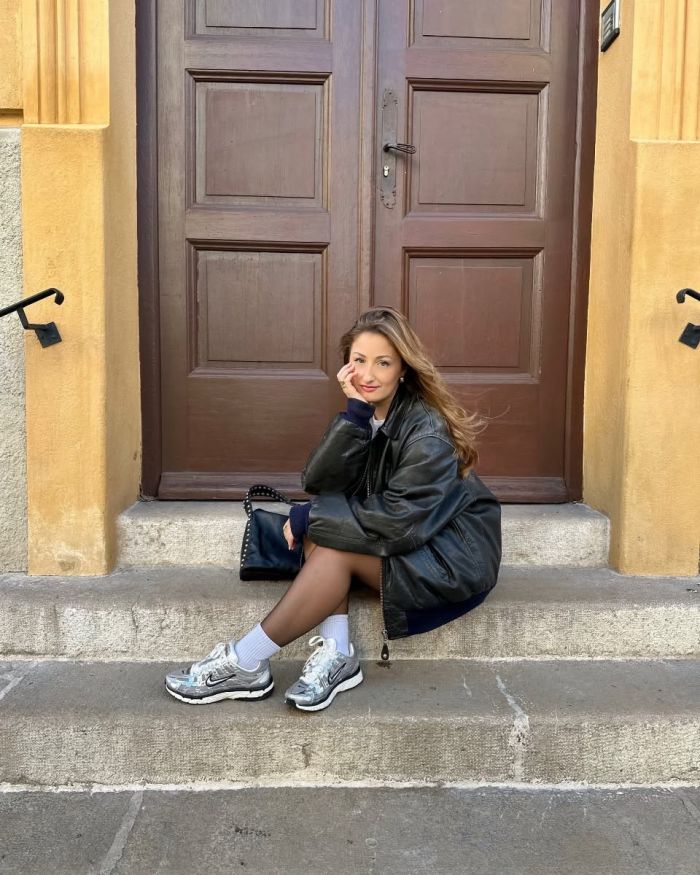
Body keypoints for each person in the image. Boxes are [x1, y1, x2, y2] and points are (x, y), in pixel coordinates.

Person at [165, 306, 502, 712]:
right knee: (321, 524)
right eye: (359, 360)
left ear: (403, 370)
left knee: (328, 540)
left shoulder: (426, 432)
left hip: (450, 560)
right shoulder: (370, 413)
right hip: (412, 540)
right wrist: (354, 417)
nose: (368, 374)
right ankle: (337, 654)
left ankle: (246, 660)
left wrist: (310, 516)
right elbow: (320, 482)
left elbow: (399, 522)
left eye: (383, 363)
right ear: (346, 365)